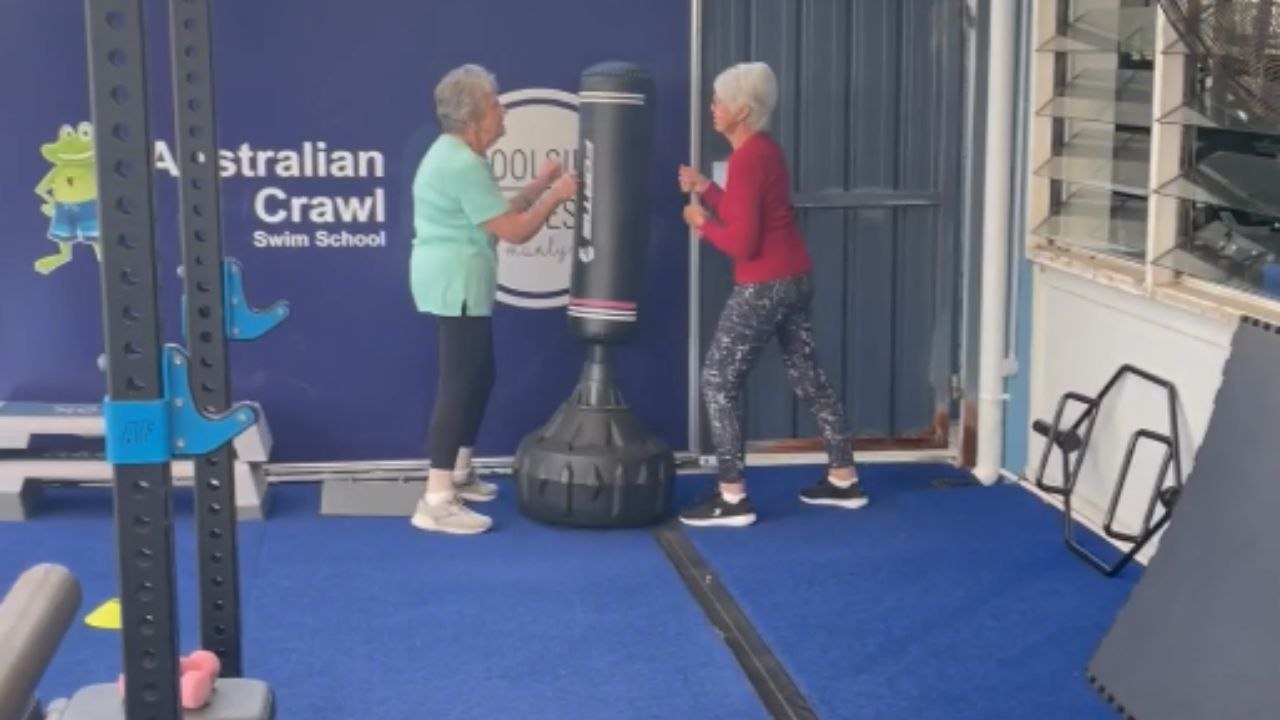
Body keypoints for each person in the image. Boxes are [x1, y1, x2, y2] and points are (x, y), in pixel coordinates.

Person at [677, 61, 867, 528]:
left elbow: (742, 242)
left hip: (763, 284)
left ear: (742, 110)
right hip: (795, 277)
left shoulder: (746, 159)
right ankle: (843, 476)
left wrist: (701, 225)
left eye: (719, 101)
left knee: (718, 381)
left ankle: (732, 496)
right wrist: (707, 189)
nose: (713, 107)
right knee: (807, 375)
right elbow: (748, 212)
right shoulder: (764, 151)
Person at [408, 64, 579, 534]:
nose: (503, 110)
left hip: (463, 281)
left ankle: (458, 475)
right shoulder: (460, 162)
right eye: (495, 103)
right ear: (474, 117)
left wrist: (542, 183)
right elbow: (516, 230)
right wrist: (558, 196)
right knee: (460, 383)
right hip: (454, 282)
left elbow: (498, 213)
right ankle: (436, 499)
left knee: (480, 377)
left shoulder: (460, 156)